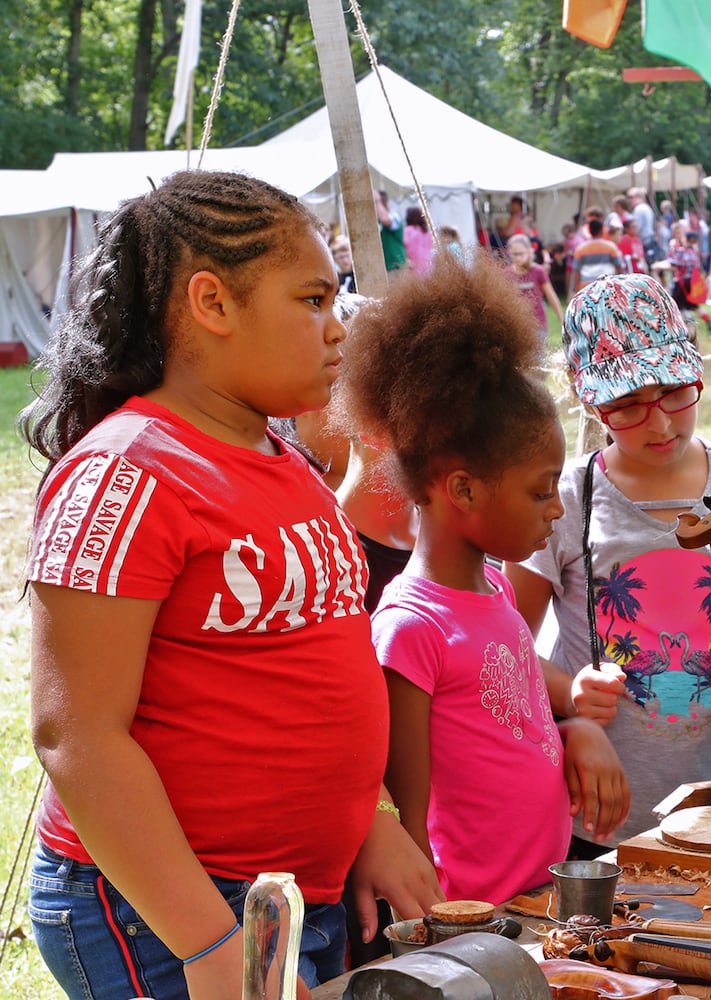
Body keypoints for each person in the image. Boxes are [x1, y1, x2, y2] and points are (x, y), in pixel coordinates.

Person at [21, 170, 442, 1000]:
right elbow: (77, 738)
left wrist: (366, 825)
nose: (340, 329)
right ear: (213, 304)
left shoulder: (280, 461)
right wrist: (209, 943)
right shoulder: (124, 473)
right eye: (315, 300)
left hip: (286, 900)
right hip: (165, 916)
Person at [333, 261, 628, 906]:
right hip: (464, 924)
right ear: (463, 489)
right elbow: (407, 820)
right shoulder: (412, 628)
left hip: (533, 903)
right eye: (540, 490)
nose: (556, 508)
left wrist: (573, 727)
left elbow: (513, 720)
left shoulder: (494, 587)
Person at [504, 273, 711, 855]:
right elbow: (505, 649)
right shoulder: (566, 500)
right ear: (592, 402)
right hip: (598, 818)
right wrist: (569, 692)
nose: (659, 423)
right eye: (629, 406)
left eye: (674, 393)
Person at [505, 232, 563, 342]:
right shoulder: (507, 273)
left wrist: (561, 319)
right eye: (514, 254)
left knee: (537, 357)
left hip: (538, 323)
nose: (518, 257)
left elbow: (551, 296)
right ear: (509, 253)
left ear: (529, 251)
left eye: (521, 253)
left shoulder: (538, 271)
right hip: (516, 324)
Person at [570, 217, 625, 296]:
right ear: (602, 230)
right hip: (607, 284)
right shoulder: (611, 247)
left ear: (589, 231)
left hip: (587, 286)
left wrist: (576, 290)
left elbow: (577, 270)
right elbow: (619, 267)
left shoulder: (580, 249)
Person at [374, 189, 408, 273]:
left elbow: (386, 220)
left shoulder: (394, 216)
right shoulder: (376, 221)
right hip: (383, 268)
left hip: (396, 266)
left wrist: (377, 201)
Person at [403, 205, 433, 276]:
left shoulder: (408, 230)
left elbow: (404, 244)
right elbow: (430, 246)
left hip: (413, 265)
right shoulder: (426, 232)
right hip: (427, 265)